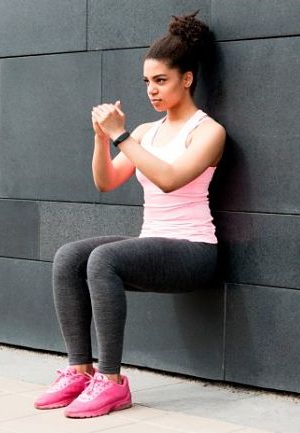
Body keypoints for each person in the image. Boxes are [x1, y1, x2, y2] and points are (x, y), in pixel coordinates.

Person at [33, 11, 225, 418]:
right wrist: (102, 140)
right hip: (152, 242)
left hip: (193, 251)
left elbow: (170, 178)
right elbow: (106, 181)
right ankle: (79, 370)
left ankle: (112, 381)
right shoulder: (144, 132)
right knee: (70, 256)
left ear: (186, 79)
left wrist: (121, 134)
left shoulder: (208, 131)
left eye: (161, 81)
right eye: (146, 82)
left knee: (104, 259)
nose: (151, 91)